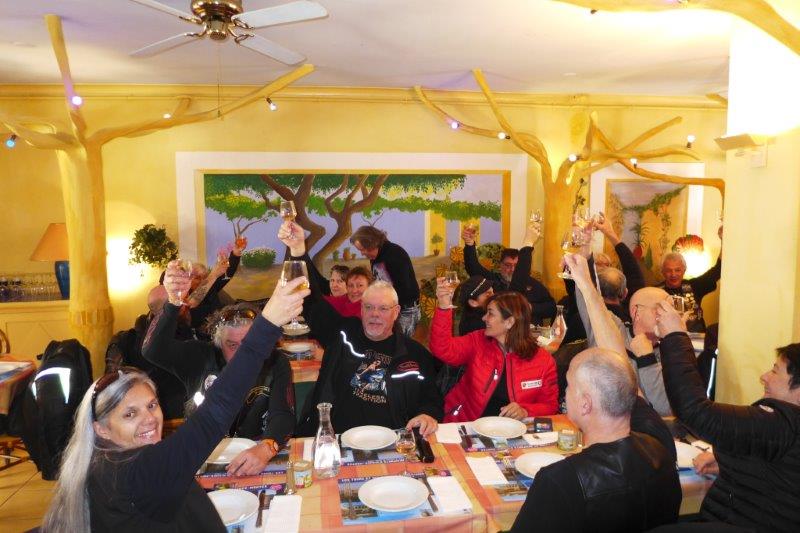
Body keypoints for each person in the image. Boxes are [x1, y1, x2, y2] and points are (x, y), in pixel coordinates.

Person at [41, 276, 308, 533]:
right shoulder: (143, 471)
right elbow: (215, 413)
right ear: (100, 428)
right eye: (129, 414)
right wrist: (267, 325)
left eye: (152, 405)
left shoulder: (98, 463)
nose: (149, 419)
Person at [511, 253, 680, 533]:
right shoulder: (660, 445)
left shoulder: (560, 480)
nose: (565, 392)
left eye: (569, 385)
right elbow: (618, 358)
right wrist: (587, 286)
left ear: (585, 404)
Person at [656, 302, 800, 532]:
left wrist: (674, 336)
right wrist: (730, 463)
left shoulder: (785, 424)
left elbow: (695, 411)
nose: (764, 377)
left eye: (775, 371)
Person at [142, 263, 295, 476]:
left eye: (248, 344)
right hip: (199, 456)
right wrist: (173, 303)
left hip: (253, 454)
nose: (242, 354)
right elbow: (153, 350)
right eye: (232, 345)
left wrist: (267, 447)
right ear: (218, 342)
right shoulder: (200, 357)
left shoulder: (275, 362)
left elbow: (283, 415)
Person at [297, 280, 443, 437]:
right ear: (361, 309)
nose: (375, 314)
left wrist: (427, 414)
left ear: (396, 312)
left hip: (394, 439)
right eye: (369, 307)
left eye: (383, 308)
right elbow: (313, 304)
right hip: (337, 437)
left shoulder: (415, 354)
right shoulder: (343, 336)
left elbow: (431, 398)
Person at [430, 281, 558, 422]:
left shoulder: (543, 360)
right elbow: (442, 348)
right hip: (466, 424)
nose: (484, 318)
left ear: (509, 322)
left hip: (512, 430)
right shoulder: (478, 341)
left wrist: (525, 411)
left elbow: (550, 406)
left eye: (490, 314)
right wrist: (444, 307)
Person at [462, 221, 556, 325]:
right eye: (508, 265)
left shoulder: (533, 283)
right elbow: (473, 267)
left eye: (517, 266)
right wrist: (469, 244)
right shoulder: (491, 281)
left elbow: (552, 307)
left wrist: (530, 307)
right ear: (500, 265)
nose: (512, 269)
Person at [279, 220, 372, 317]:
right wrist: (298, 250)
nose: (354, 290)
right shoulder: (343, 301)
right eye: (351, 285)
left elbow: (316, 300)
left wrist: (298, 250)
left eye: (360, 285)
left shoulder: (369, 310)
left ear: (369, 288)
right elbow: (316, 281)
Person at [350, 225, 421, 337]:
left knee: (399, 344)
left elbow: (405, 289)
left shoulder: (395, 254)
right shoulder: (375, 258)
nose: (362, 253)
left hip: (405, 311)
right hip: (389, 308)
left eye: (362, 249)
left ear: (371, 244)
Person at [658, 226, 722, 332]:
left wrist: (723, 240)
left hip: (697, 338)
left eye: (677, 270)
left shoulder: (694, 286)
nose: (673, 274)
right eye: (669, 270)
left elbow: (717, 270)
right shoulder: (655, 291)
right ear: (662, 272)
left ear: (684, 270)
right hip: (669, 339)